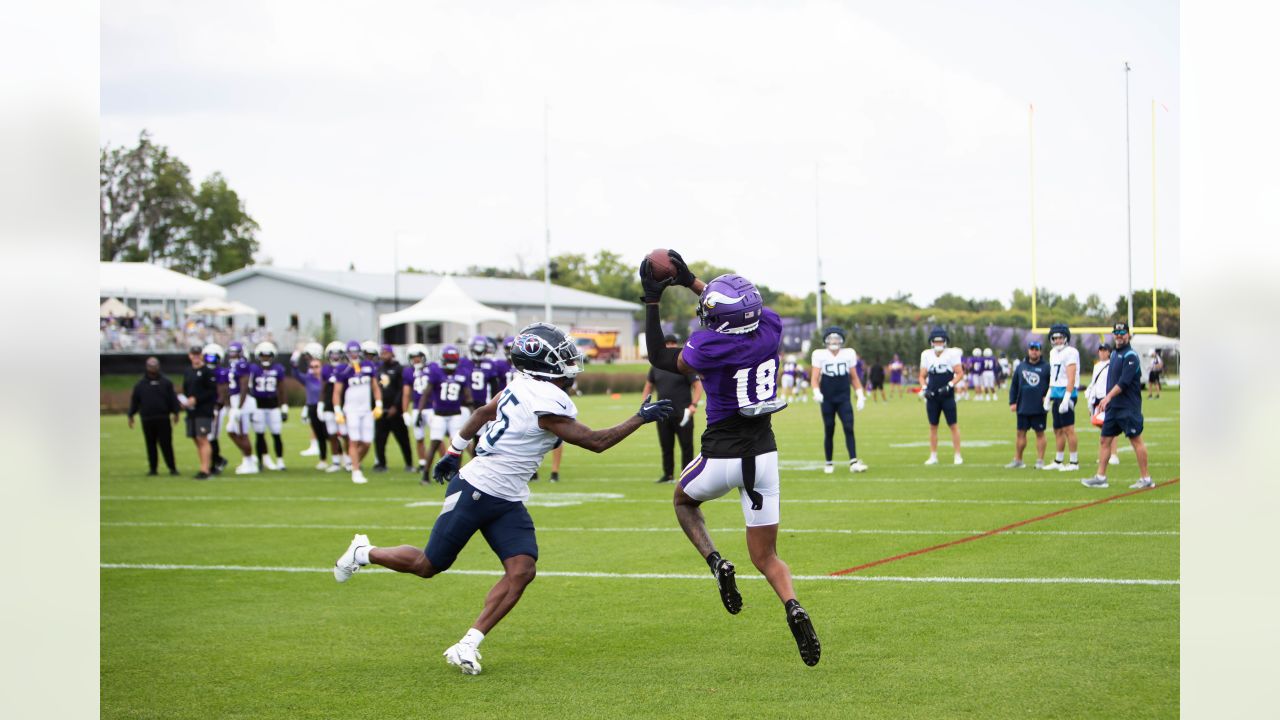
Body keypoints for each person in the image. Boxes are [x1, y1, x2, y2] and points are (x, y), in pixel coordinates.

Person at [334, 322, 673, 675]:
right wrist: (640, 418)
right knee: (429, 565)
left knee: (522, 570)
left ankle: (467, 644)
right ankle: (363, 552)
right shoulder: (545, 398)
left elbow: (482, 413)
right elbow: (595, 442)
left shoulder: (523, 384)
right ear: (544, 361)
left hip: (507, 497)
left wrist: (454, 450)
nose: (570, 358)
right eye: (562, 353)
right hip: (477, 490)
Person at [639, 251, 821, 667]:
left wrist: (653, 299)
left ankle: (716, 562)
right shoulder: (771, 327)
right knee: (767, 556)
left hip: (721, 453)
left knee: (684, 501)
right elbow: (738, 312)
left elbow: (662, 358)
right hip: (764, 455)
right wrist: (693, 282)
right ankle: (792, 604)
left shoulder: (709, 344)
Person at [1083, 323, 1154, 489]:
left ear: (1128, 335)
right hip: (1114, 407)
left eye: (1122, 332)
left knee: (1136, 440)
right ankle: (1100, 477)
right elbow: (1111, 380)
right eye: (1116, 333)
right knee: (1104, 439)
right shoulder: (1114, 354)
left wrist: (1107, 397)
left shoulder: (1131, 356)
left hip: (1128, 406)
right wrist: (1105, 401)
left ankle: (1146, 479)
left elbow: (1124, 382)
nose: (1119, 335)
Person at [642, 333, 704, 483]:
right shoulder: (656, 366)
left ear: (677, 345)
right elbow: (649, 385)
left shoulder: (683, 365)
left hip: (683, 413)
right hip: (662, 413)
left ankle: (687, 475)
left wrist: (694, 404)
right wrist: (645, 404)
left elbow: (697, 385)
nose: (670, 346)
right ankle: (668, 474)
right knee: (666, 445)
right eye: (667, 343)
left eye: (673, 343)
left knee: (686, 446)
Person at [810, 326, 868, 474]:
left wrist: (860, 394)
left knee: (849, 427)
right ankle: (829, 462)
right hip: (827, 398)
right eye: (831, 338)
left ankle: (853, 461)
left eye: (837, 338)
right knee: (829, 429)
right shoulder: (819, 354)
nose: (834, 341)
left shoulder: (848, 353)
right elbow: (815, 378)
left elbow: (854, 377)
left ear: (841, 340)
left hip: (843, 397)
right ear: (826, 340)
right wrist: (816, 392)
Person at [418, 344, 472, 481]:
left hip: (455, 414)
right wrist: (419, 411)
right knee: (434, 443)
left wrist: (472, 411)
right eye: (449, 359)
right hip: (439, 415)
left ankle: (454, 474)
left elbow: (468, 395)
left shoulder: (461, 373)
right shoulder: (436, 372)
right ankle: (425, 474)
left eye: (453, 360)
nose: (451, 363)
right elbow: (426, 393)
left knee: (457, 445)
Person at [127, 356, 182, 476]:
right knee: (150, 444)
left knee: (166, 443)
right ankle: (153, 468)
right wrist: (131, 415)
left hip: (163, 418)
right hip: (147, 418)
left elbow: (172, 399)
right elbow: (135, 401)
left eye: (155, 366)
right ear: (147, 367)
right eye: (151, 366)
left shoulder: (166, 382)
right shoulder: (140, 384)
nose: (153, 368)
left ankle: (172, 467)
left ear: (159, 367)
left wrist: (176, 412)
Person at [918, 328, 964, 465]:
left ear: (945, 341)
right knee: (933, 426)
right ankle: (933, 455)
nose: (938, 343)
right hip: (932, 396)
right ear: (931, 342)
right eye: (936, 340)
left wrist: (950, 385)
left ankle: (957, 455)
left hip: (947, 395)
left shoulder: (952, 354)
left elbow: (960, 373)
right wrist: (925, 388)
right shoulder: (926, 354)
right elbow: (922, 375)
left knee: (953, 425)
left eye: (940, 340)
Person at [241, 341, 289, 471]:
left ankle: (280, 460)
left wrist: (284, 407)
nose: (265, 358)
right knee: (259, 434)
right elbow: (248, 387)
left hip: (273, 405)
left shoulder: (278, 368)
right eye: (263, 355)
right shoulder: (254, 369)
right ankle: (261, 461)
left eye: (268, 355)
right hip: (258, 405)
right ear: (258, 356)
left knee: (276, 434)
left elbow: (282, 389)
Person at [1004, 340, 1049, 469]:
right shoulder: (1021, 366)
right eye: (1032, 349)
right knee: (1020, 433)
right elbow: (1014, 386)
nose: (1034, 351)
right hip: (1023, 406)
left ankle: (1040, 461)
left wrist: (1047, 397)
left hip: (1039, 407)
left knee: (1040, 433)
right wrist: (1012, 402)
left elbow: (1052, 384)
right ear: (1028, 350)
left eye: (1036, 349)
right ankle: (1018, 460)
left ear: (1040, 351)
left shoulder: (1046, 367)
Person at [1043, 324, 1080, 472]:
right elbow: (1053, 377)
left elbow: (1070, 378)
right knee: (1057, 429)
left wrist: (1067, 398)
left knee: (1068, 429)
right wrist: (1048, 395)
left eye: (1060, 337)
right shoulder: (1053, 353)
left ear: (1066, 338)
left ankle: (1074, 462)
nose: (1057, 340)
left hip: (1067, 393)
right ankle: (1058, 460)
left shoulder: (1071, 352)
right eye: (1055, 338)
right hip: (1056, 393)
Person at [373, 344, 414, 473]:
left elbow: (402, 390)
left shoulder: (399, 369)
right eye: (382, 353)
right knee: (379, 439)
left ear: (392, 354)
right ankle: (381, 463)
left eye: (386, 353)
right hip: (381, 410)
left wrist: (396, 407)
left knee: (403, 439)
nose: (384, 355)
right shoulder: (378, 369)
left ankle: (409, 463)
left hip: (396, 411)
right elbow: (375, 389)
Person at [181, 345, 219, 480]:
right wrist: (185, 401)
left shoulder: (207, 372)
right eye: (193, 354)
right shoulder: (188, 371)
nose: (196, 357)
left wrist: (196, 399)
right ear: (190, 355)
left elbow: (212, 392)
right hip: (191, 411)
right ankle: (203, 466)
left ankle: (205, 469)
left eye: (198, 354)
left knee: (202, 438)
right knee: (196, 439)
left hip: (204, 410)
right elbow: (186, 389)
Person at [292, 345, 331, 471]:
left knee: (330, 434)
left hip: (325, 407)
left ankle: (340, 457)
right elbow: (296, 374)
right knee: (319, 435)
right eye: (312, 367)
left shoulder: (326, 379)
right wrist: (295, 360)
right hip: (312, 408)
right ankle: (323, 459)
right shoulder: (308, 379)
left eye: (316, 367)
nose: (314, 369)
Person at [224, 341, 258, 475]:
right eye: (231, 352)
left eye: (235, 352)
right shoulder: (233, 365)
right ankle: (248, 457)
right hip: (235, 400)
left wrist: (239, 407)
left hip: (241, 401)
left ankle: (249, 462)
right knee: (231, 430)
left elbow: (244, 387)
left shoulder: (243, 365)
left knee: (243, 433)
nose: (232, 354)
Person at [1085, 343, 1121, 467]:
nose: (1101, 352)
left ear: (1109, 352)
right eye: (1100, 350)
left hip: (1107, 399)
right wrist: (1090, 399)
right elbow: (1094, 383)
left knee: (1110, 427)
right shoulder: (1097, 366)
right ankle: (1105, 454)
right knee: (1102, 428)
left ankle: (1114, 454)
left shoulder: (1112, 364)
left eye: (1104, 350)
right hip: (1097, 399)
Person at [401, 344, 432, 471]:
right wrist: (404, 412)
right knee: (419, 437)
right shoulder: (408, 372)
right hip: (416, 408)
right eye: (413, 357)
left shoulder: (432, 369)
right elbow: (406, 393)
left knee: (437, 437)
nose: (415, 359)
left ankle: (444, 460)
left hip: (431, 408)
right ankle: (422, 463)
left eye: (418, 357)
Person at [321, 341, 350, 472]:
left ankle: (349, 460)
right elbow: (322, 388)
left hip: (343, 405)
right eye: (332, 354)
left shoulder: (346, 368)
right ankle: (336, 461)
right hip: (328, 405)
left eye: (338, 354)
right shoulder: (326, 369)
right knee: (331, 434)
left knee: (345, 434)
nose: (335, 357)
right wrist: (320, 404)